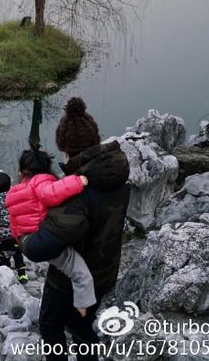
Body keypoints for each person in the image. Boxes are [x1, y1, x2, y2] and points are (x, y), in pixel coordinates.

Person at [29, 97, 131, 361]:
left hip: (69, 282)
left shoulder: (78, 192)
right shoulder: (117, 174)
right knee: (81, 326)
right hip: (105, 271)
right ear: (95, 139)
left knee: (52, 327)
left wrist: (23, 238)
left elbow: (42, 247)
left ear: (65, 148)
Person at [5, 145, 96, 316]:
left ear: (21, 173)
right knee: (81, 273)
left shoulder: (14, 192)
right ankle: (83, 312)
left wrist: (20, 241)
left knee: (66, 266)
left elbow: (13, 222)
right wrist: (79, 181)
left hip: (26, 243)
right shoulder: (41, 182)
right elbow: (51, 193)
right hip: (40, 240)